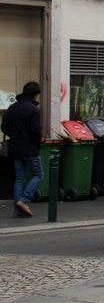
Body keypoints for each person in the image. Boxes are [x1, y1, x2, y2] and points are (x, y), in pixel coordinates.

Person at [2, 82, 42, 218]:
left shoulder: (12, 108)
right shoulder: (33, 110)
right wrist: (38, 145)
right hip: (30, 148)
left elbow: (4, 128)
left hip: (15, 148)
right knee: (38, 175)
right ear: (35, 95)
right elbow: (36, 131)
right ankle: (23, 200)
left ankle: (17, 209)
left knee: (19, 178)